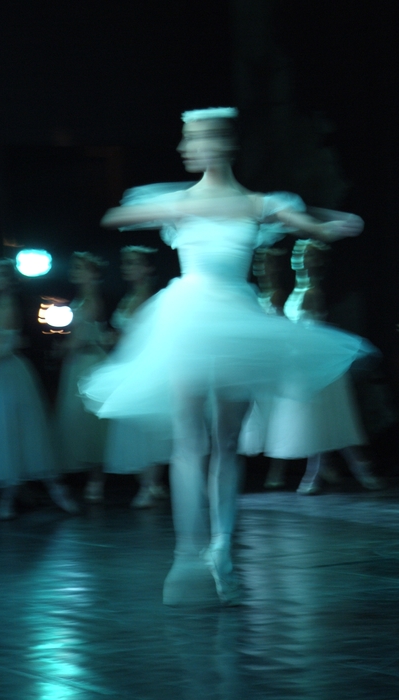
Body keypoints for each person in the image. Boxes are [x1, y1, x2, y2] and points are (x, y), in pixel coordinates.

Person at [81, 106, 373, 605]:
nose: (183, 148)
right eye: (184, 139)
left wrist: (331, 220)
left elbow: (311, 226)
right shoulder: (177, 200)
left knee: (226, 440)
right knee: (191, 438)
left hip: (236, 321)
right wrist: (172, 208)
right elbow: (115, 215)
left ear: (219, 143)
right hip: (187, 319)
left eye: (191, 139)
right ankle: (187, 551)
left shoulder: (261, 202)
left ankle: (222, 549)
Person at [259, 239, 382, 494]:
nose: (302, 259)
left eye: (308, 255)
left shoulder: (312, 292)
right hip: (305, 366)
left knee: (330, 419)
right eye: (300, 254)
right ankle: (329, 472)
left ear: (317, 261)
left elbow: (315, 333)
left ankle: (355, 470)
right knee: (319, 421)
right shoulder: (299, 289)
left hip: (317, 366)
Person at [0, 258, 78, 520]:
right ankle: (12, 498)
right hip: (5, 373)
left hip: (9, 373)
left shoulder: (9, 305)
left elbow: (6, 347)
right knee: (8, 435)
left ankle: (53, 491)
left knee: (18, 433)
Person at [103, 246, 169, 506]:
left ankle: (150, 485)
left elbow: (143, 335)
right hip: (127, 364)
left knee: (147, 425)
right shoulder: (129, 296)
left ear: (148, 268)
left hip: (144, 367)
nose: (127, 267)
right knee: (135, 425)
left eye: (134, 263)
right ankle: (150, 484)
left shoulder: (148, 297)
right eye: (126, 263)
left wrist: (114, 337)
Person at [55, 252, 108, 500]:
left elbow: (79, 338)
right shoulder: (82, 298)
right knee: (80, 420)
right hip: (79, 363)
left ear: (93, 273)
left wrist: (62, 348)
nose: (74, 271)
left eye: (80, 268)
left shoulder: (92, 301)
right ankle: (89, 475)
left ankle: (96, 479)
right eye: (74, 267)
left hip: (88, 362)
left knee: (89, 420)